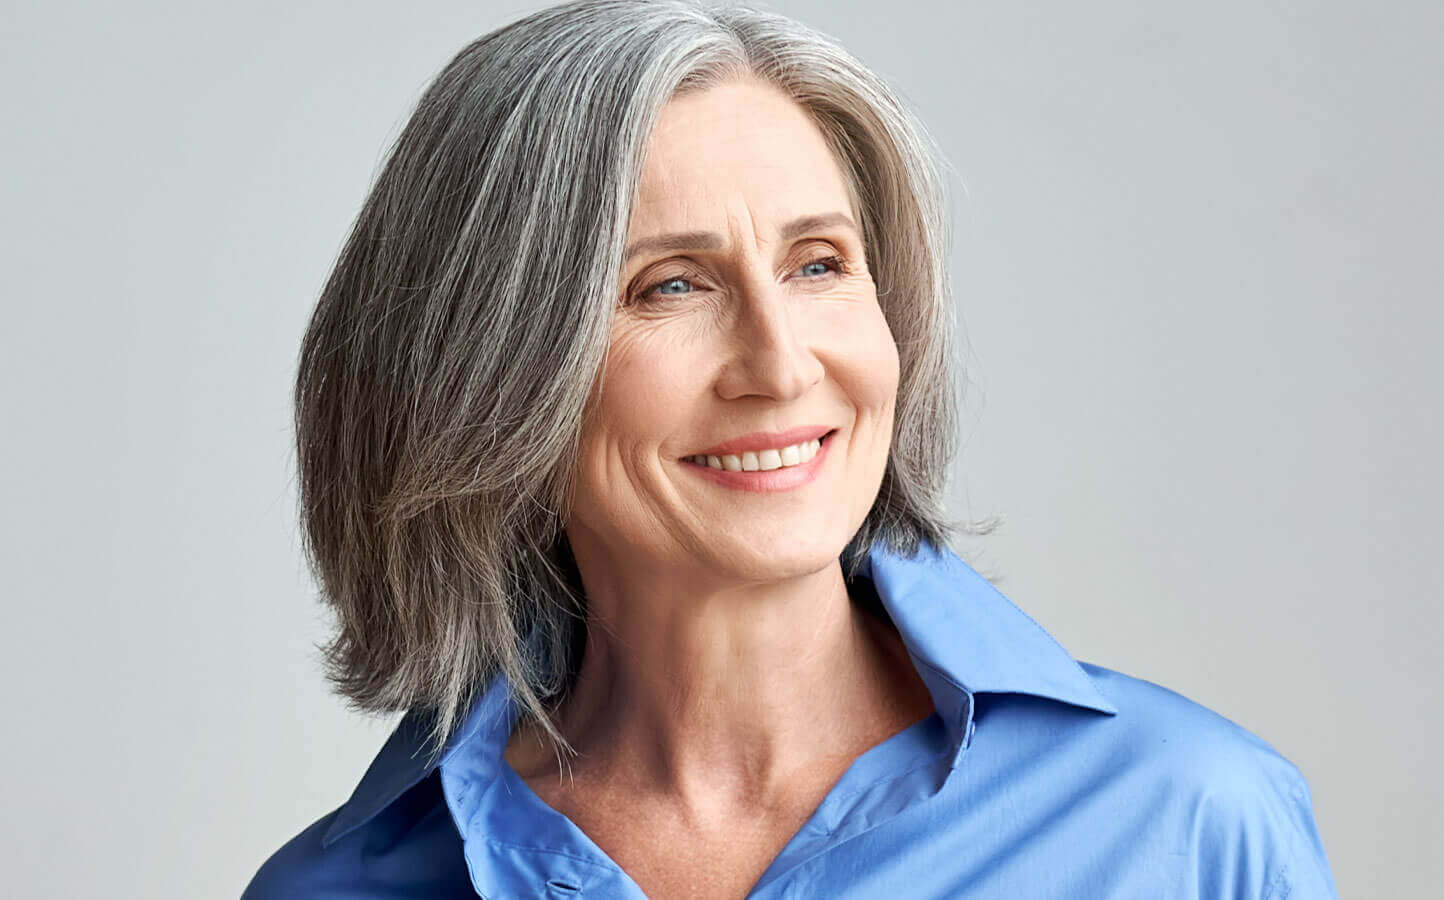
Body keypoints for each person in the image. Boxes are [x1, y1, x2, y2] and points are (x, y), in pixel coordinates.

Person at [242, 1, 1338, 896]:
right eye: (669, 285)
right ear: (489, 366)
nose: (780, 364)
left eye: (818, 264)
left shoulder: (1185, 823)